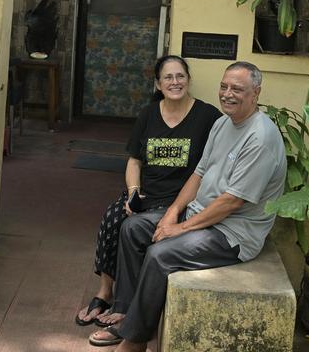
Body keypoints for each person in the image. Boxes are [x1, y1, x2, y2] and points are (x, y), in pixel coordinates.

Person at [88, 61, 287, 350]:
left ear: (255, 93)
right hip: (200, 215)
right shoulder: (223, 123)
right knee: (132, 228)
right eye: (224, 86)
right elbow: (199, 173)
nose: (227, 94)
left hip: (232, 233)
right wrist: (171, 213)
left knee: (160, 255)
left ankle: (135, 341)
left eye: (237, 89)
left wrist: (179, 229)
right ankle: (125, 313)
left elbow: (231, 202)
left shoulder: (261, 138)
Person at [74, 55, 222, 327]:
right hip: (147, 196)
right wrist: (133, 192)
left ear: (188, 80)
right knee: (113, 217)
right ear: (158, 84)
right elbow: (134, 160)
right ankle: (105, 293)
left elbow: (213, 165)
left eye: (180, 76)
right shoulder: (148, 114)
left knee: (132, 228)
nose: (175, 82)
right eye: (168, 77)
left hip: (181, 199)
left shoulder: (208, 116)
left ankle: (128, 304)